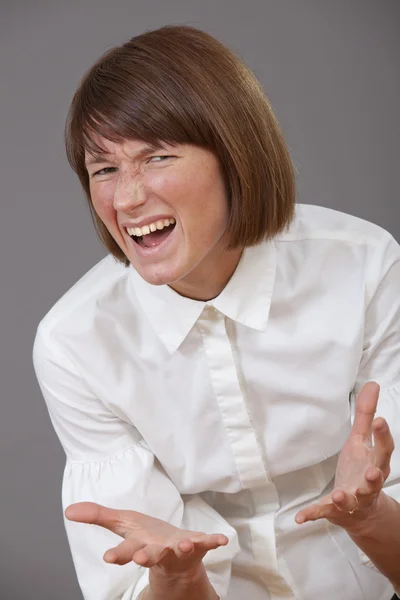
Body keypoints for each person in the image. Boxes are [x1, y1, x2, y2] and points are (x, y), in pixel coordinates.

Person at [32, 25, 400, 600]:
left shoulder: (363, 266)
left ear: (236, 155)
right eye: (104, 169)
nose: (126, 199)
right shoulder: (75, 342)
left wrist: (367, 514)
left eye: (157, 157)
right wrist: (175, 578)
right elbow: (144, 577)